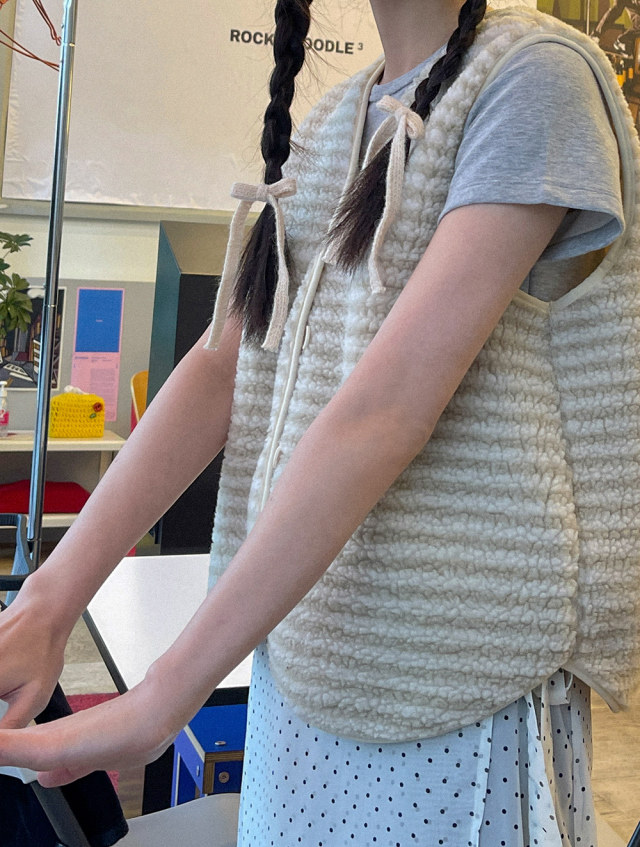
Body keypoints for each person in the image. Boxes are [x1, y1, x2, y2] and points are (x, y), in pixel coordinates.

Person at [0, 0, 639, 844]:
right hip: (302, 669)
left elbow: (386, 411)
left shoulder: (534, 77)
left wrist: (164, 695)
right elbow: (224, 364)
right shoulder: (337, 120)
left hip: (456, 688)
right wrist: (46, 603)